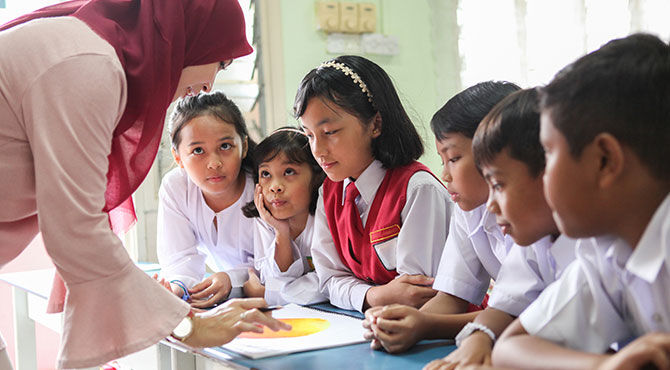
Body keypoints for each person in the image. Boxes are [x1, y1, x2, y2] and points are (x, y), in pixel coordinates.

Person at [0, 1, 289, 368]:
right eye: (219, 61)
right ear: (188, 34)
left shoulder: (90, 54)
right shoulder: (88, 65)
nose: (210, 83)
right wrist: (189, 326)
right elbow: (76, 227)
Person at [492, 33, 670, 370]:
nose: (543, 178)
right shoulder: (606, 249)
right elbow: (510, 349)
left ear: (604, 160)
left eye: (548, 153)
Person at [424, 88, 581, 369]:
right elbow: (506, 312)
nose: (492, 205)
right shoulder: (537, 237)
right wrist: (477, 339)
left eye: (498, 184)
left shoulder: (594, 245)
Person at [362, 81, 519, 353]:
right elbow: (452, 296)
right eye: (442, 160)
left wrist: (427, 325)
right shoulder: (468, 209)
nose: (444, 175)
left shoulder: (536, 220)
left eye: (454, 158)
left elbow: (523, 312)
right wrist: (405, 321)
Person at [294, 55, 451, 312]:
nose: (318, 150)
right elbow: (329, 280)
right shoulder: (330, 191)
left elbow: (416, 295)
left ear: (375, 124)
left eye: (330, 132)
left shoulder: (418, 190)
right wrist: (377, 296)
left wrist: (360, 294)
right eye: (309, 135)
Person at [156, 91, 257, 308]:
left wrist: (232, 279)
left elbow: (283, 263)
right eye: (198, 150)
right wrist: (177, 288)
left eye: (225, 146)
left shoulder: (265, 187)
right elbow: (180, 259)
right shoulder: (176, 187)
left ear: (244, 146)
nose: (214, 163)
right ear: (177, 157)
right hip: (233, 305)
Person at [240, 127, 327, 306]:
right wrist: (281, 232)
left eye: (289, 172)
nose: (275, 186)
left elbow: (327, 283)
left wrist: (267, 294)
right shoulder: (264, 219)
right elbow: (271, 277)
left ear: (315, 176)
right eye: (265, 174)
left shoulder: (326, 216)